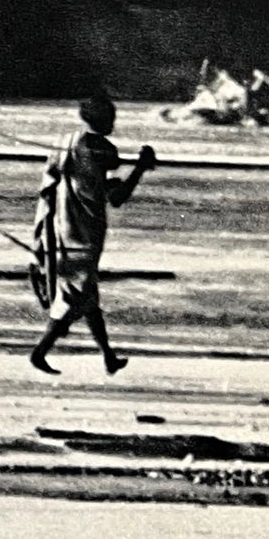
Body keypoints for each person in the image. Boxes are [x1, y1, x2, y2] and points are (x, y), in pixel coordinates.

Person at [30, 93, 155, 377]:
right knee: (77, 296)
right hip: (84, 235)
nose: (113, 122)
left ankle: (108, 356)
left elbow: (93, 180)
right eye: (111, 117)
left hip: (64, 229)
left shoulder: (69, 143)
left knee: (88, 298)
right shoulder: (103, 150)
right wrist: (140, 168)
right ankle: (40, 351)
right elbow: (117, 197)